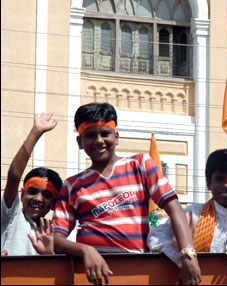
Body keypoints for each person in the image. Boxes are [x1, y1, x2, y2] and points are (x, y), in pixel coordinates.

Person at [52, 102, 201, 285]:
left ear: (116, 137)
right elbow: (55, 240)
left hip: (138, 271)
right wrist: (85, 250)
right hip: (92, 276)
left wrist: (188, 255)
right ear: (80, 142)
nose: (99, 141)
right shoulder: (72, 185)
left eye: (105, 134)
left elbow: (175, 209)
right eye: (90, 135)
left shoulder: (140, 164)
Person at [148, 149, 227, 266]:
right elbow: (155, 237)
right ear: (209, 183)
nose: (226, 185)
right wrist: (186, 260)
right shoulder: (192, 214)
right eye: (219, 179)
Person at [1, 112, 62, 256]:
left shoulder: (55, 233)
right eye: (32, 191)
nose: (38, 199)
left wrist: (50, 255)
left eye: (47, 195)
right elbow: (14, 175)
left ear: (54, 203)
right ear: (22, 195)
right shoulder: (12, 217)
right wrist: (36, 132)